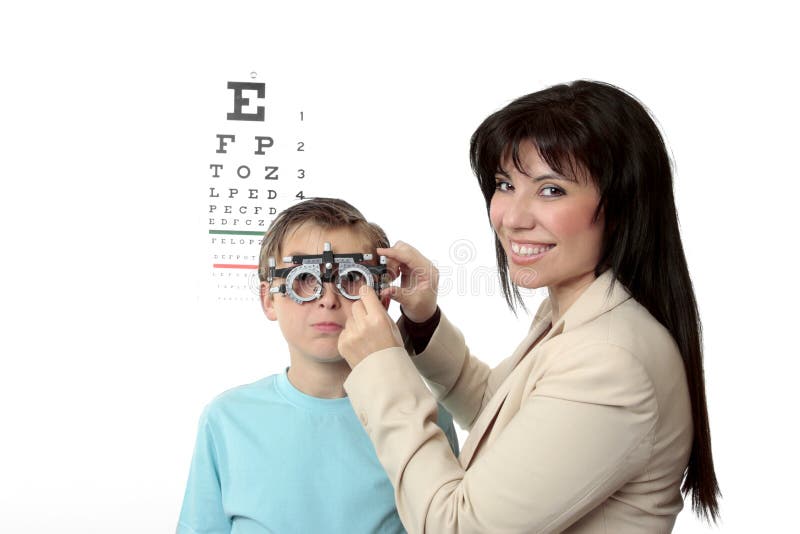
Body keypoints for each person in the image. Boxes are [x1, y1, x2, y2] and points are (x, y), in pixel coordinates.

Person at [337, 81, 720, 533]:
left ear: (621, 208)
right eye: (505, 185)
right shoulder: (581, 313)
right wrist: (423, 322)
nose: (513, 217)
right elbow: (497, 412)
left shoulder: (610, 362)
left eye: (551, 190)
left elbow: (456, 525)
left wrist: (381, 367)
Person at [177, 198, 460, 534]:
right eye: (304, 279)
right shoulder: (226, 420)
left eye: (351, 278)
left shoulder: (422, 416)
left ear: (382, 298)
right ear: (269, 299)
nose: (327, 299)